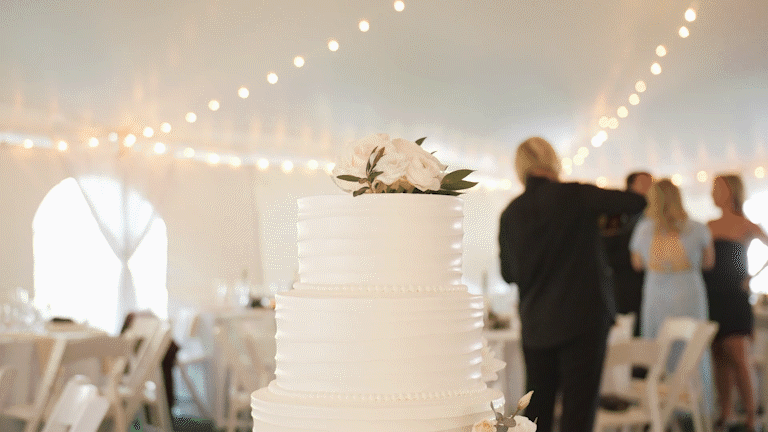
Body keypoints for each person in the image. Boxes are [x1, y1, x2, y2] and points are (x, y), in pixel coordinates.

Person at [498, 137, 646, 432]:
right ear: (553, 162)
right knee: (578, 411)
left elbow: (508, 274)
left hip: (537, 323)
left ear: (521, 167)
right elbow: (635, 202)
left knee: (536, 412)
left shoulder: (511, 213)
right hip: (584, 321)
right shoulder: (576, 196)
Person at [704, 174, 768, 432]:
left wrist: (752, 277)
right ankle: (727, 411)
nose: (714, 192)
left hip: (735, 296)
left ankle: (752, 416)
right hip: (712, 295)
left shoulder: (746, 224)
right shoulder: (708, 225)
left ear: (731, 191)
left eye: (718, 188)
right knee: (718, 355)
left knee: (739, 356)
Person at [602, 171, 653, 336]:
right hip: (624, 277)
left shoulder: (653, 214)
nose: (649, 188)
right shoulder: (617, 213)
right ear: (631, 186)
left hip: (649, 277)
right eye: (644, 184)